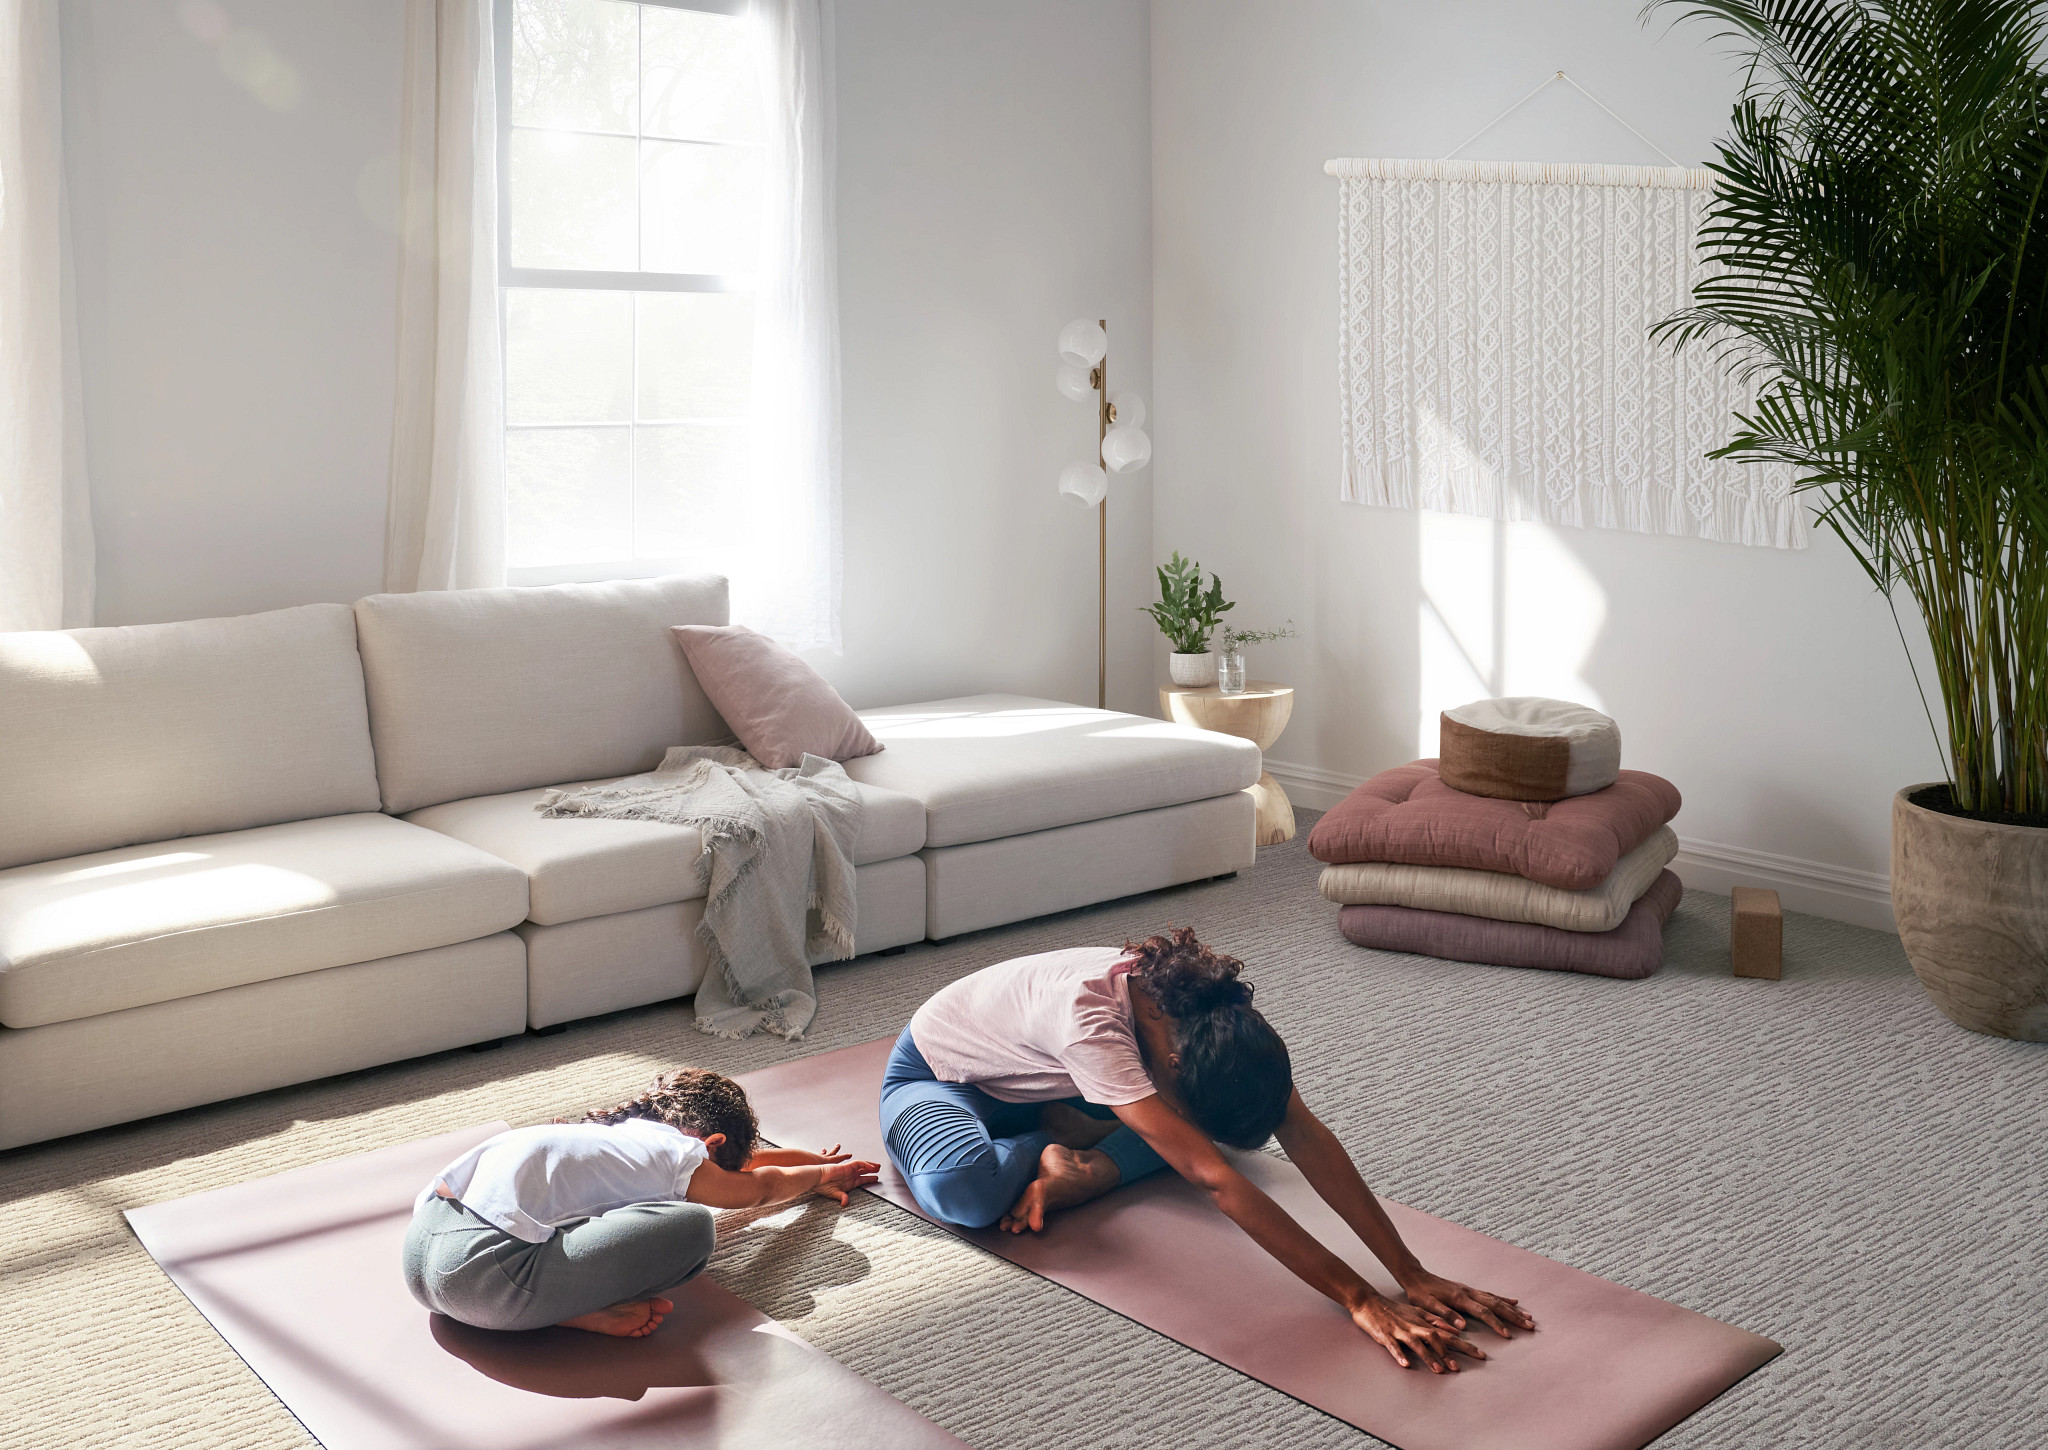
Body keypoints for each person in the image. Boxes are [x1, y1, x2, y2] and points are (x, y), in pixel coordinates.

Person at [880, 928, 1536, 1373]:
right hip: (949, 1078)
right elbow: (1214, 1179)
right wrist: (1360, 1298)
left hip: (1067, 1081)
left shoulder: (1219, 1020)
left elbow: (1300, 1129)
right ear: (1167, 1060)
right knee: (962, 1190)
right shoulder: (1091, 1025)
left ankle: (1083, 1153)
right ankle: (1061, 1147)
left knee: (1214, 1123)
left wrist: (1410, 1271)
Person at [404, 1068, 877, 1338]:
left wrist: (809, 1162)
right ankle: (570, 1310)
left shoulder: (611, 1140)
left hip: (420, 1255)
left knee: (580, 1222)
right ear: (710, 1144)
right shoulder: (679, 1154)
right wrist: (824, 1173)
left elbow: (750, 1166)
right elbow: (757, 1187)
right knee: (693, 1226)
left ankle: (557, 1300)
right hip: (486, 1286)